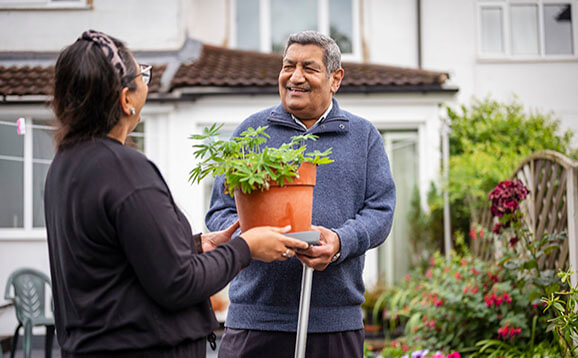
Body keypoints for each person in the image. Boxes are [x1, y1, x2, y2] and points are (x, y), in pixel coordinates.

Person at [44, 30, 309, 358]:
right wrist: (246, 248)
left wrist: (197, 246)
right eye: (141, 73)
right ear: (126, 99)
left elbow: (120, 260)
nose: (146, 82)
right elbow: (178, 283)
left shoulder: (66, 165)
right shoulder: (125, 169)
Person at [206, 31, 396, 358]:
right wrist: (254, 235)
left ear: (335, 78)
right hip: (256, 320)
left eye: (308, 68)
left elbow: (380, 212)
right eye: (287, 66)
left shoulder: (363, 137)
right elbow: (219, 211)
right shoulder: (252, 133)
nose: (295, 77)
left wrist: (339, 241)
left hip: (334, 324)